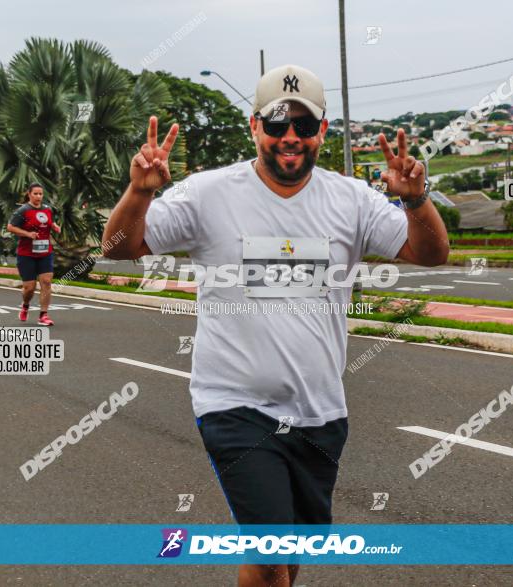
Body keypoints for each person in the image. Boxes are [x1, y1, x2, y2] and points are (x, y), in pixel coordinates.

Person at [103, 64, 449, 587]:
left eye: (304, 126)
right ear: (254, 127)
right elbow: (120, 247)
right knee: (270, 556)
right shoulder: (209, 193)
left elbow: (432, 253)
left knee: (289, 558)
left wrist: (416, 200)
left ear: (322, 132)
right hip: (234, 405)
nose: (291, 137)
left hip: (320, 410)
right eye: (277, 123)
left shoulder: (350, 199)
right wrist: (139, 193)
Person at [7, 182, 61, 326]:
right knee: (29, 288)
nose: (38, 196)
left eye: (40, 194)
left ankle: (43, 315)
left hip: (45, 252)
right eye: (35, 193)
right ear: (29, 194)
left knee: (46, 282)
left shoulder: (48, 209)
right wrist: (28, 234)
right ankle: (25, 305)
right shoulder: (23, 211)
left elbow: (49, 222)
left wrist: (54, 226)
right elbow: (10, 227)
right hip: (27, 254)